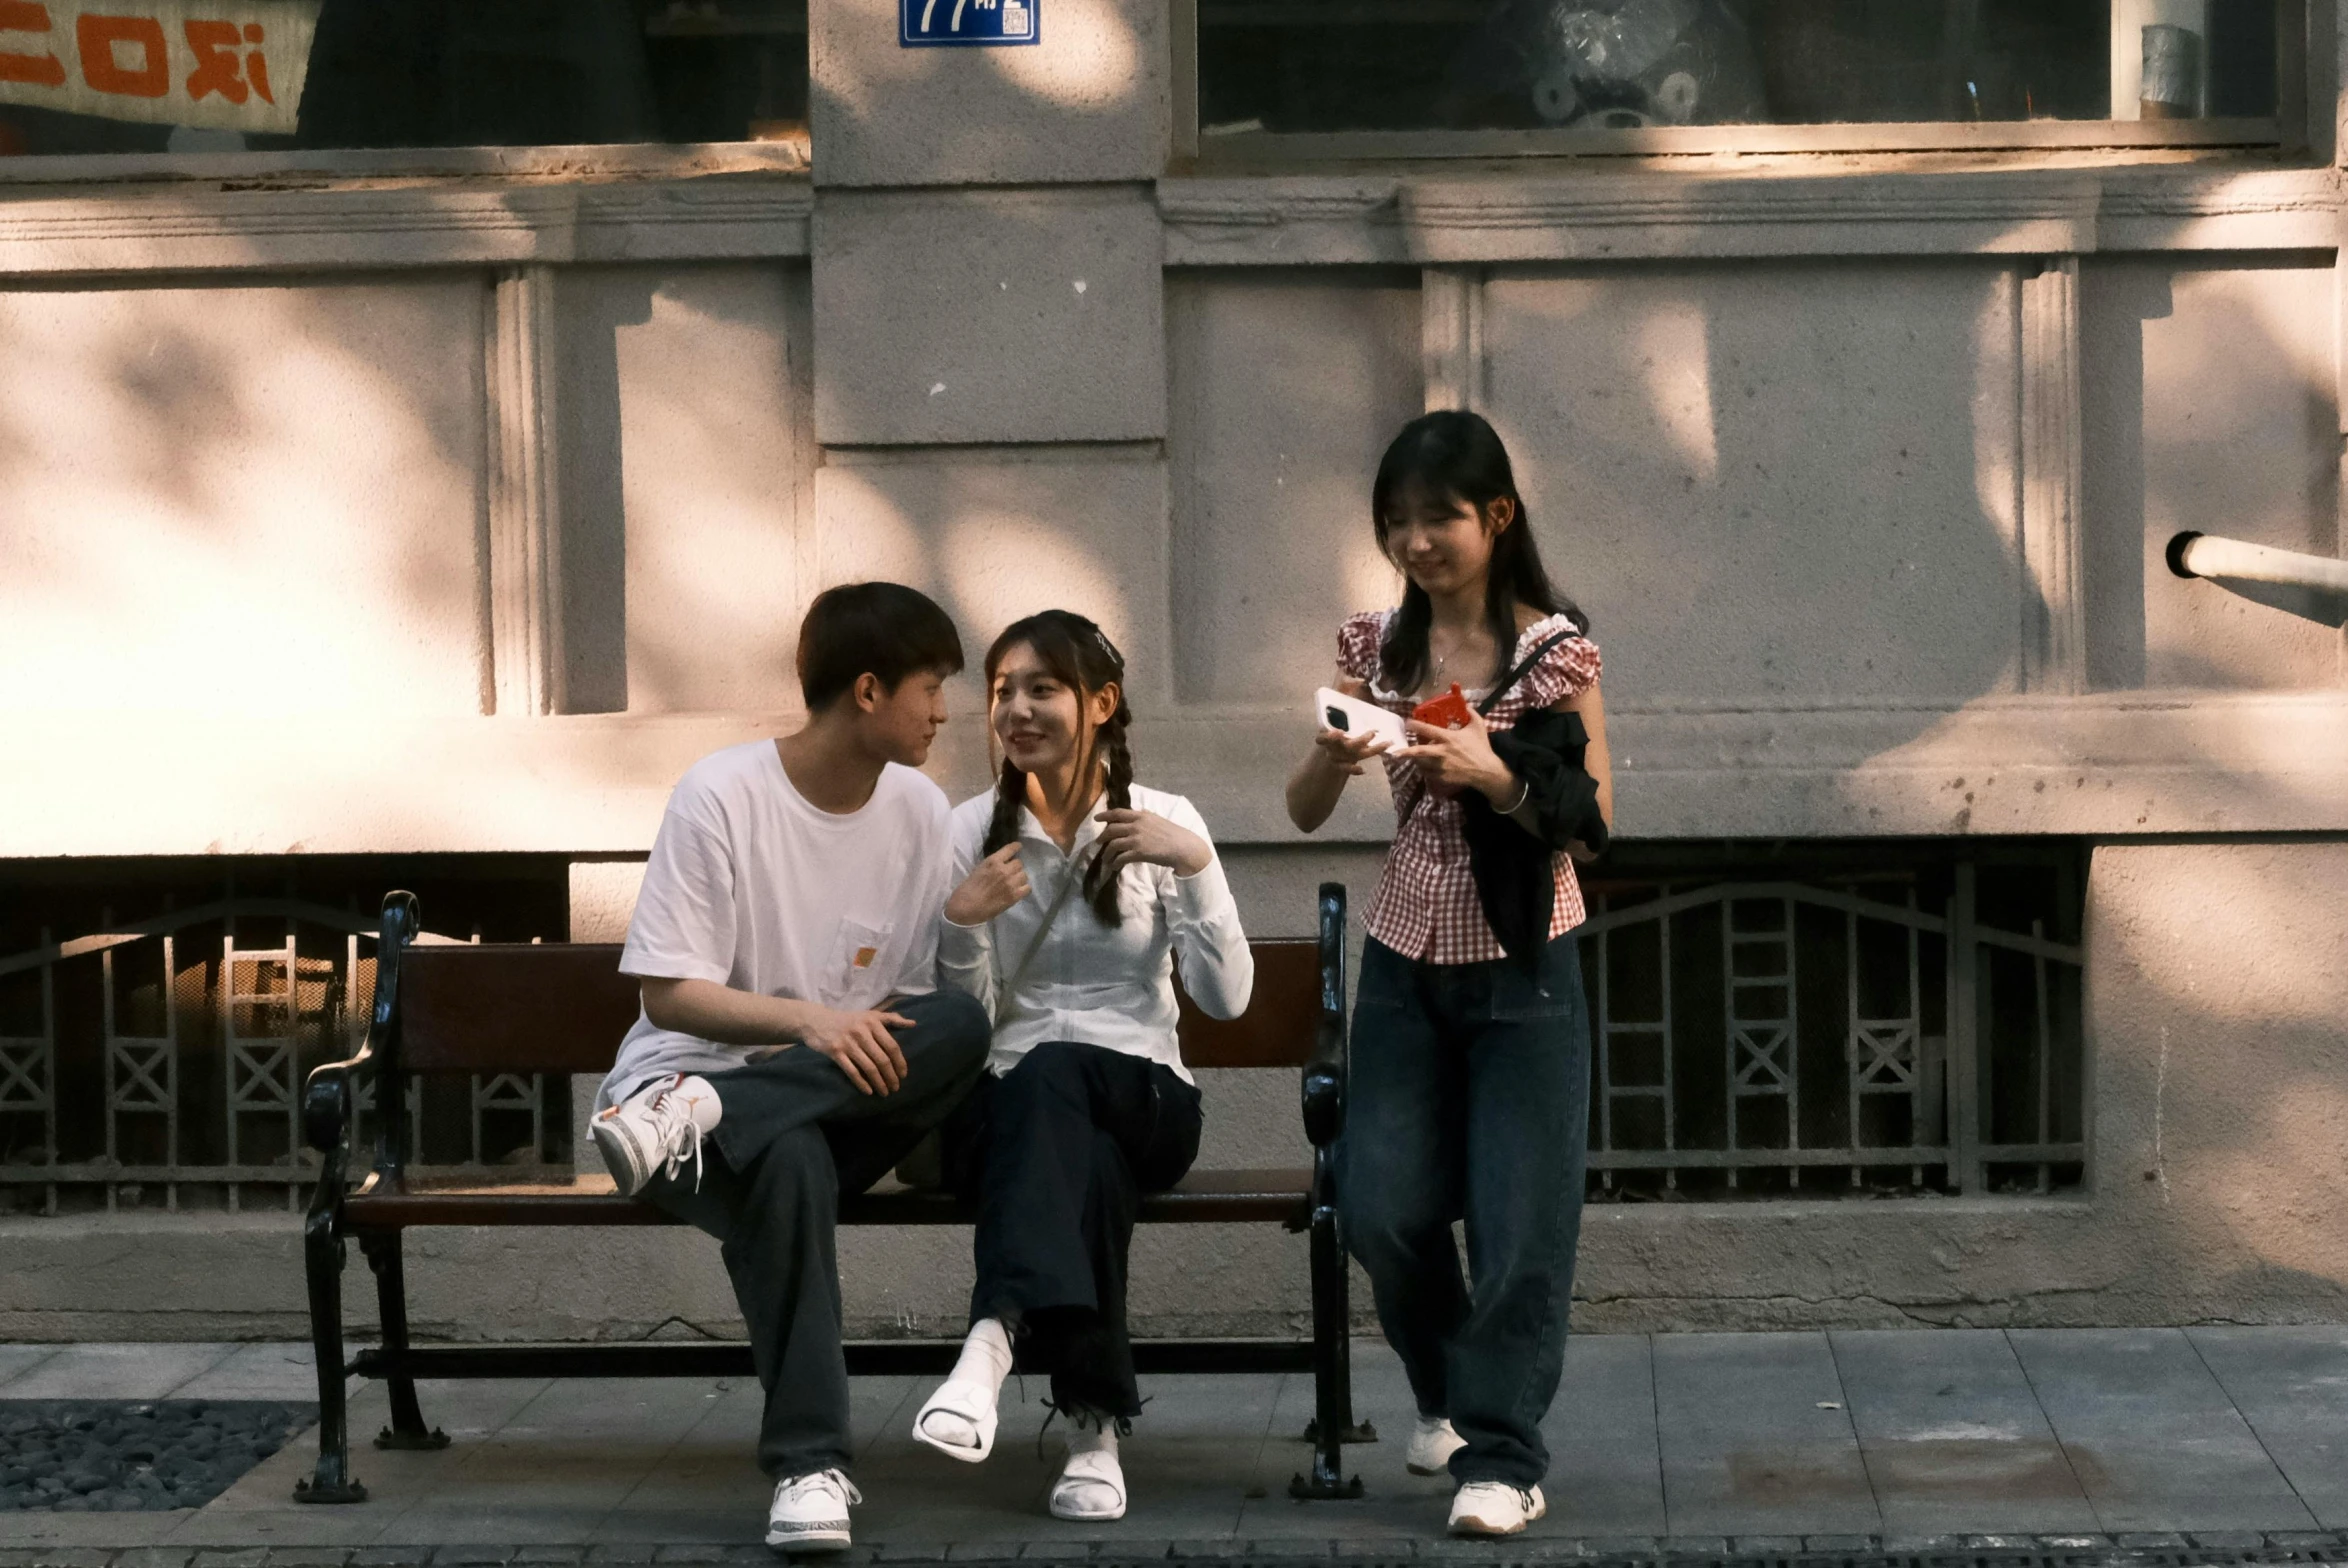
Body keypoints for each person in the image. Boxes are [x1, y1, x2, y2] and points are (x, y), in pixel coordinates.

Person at [588, 581, 992, 1555]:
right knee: (788, 1157)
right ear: (865, 688)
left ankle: (715, 1109)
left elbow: (917, 1018)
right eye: (929, 685)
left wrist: (969, 923)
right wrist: (809, 1023)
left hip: (806, 1097)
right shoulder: (722, 793)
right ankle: (811, 1465)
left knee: (956, 1023)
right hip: (679, 1087)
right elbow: (669, 995)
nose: (944, 710)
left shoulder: (916, 809)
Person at [1285, 410, 1612, 1539]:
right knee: (1380, 1208)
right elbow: (1300, 808)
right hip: (1403, 960)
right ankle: (1446, 1389)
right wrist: (1329, 753)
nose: (1416, 540)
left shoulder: (1552, 649)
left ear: (1496, 517)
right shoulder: (1373, 647)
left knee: (1521, 1225)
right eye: (1396, 521)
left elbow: (1595, 819)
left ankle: (1502, 1453)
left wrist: (1494, 773)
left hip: (1525, 964)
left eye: (1439, 517)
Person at [906, 610, 1253, 1523]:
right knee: (1076, 1148)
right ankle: (1093, 1432)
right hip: (1010, 1114)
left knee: (1065, 1081)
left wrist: (1201, 867)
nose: (1016, 710)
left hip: (1148, 1099)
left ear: (1100, 703)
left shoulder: (1164, 824)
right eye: (1001, 691)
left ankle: (992, 1337)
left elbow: (1228, 1001)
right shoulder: (969, 829)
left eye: (1041, 689)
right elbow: (966, 1031)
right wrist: (959, 924)